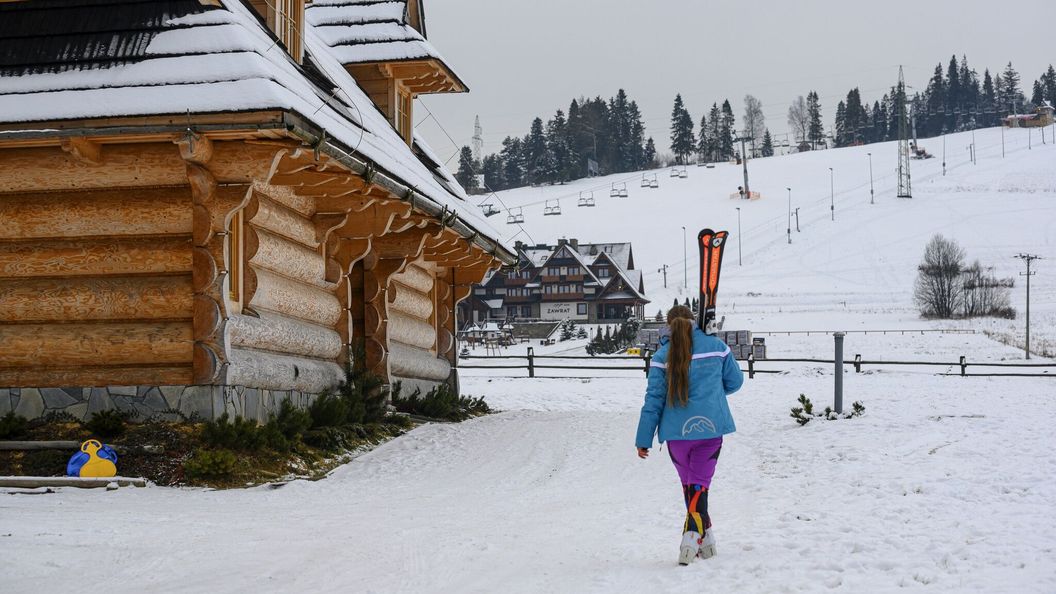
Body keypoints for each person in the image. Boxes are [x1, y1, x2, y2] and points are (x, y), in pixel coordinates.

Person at [635, 305, 744, 565]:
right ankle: (693, 539)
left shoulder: (662, 355)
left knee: (692, 488)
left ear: (668, 325)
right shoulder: (717, 347)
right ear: (694, 321)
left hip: (677, 435)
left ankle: (703, 542)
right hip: (711, 430)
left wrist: (643, 439)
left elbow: (654, 401)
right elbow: (736, 381)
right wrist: (712, 397)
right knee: (698, 488)